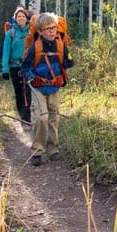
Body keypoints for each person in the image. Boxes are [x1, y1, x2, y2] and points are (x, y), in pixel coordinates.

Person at [20, 12, 73, 166]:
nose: (52, 31)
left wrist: (68, 60)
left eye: (54, 28)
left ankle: (53, 149)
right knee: (41, 117)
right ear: (40, 31)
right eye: (48, 28)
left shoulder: (60, 45)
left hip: (55, 86)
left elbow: (68, 62)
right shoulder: (34, 48)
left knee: (54, 117)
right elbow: (25, 66)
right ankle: (37, 151)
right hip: (38, 87)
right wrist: (30, 76)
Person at [1, 6, 32, 125]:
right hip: (15, 67)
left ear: (26, 18)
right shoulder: (10, 33)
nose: (21, 18)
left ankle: (28, 116)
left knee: (29, 91)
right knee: (19, 92)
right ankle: (23, 117)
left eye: (23, 16)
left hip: (29, 65)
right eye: (19, 16)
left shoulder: (31, 31)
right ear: (15, 18)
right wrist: (5, 69)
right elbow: (6, 51)